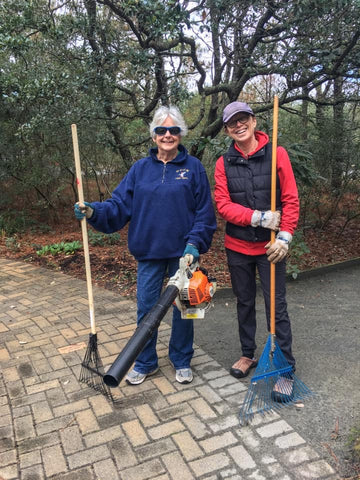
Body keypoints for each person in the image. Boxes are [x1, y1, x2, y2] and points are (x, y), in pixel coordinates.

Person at [74, 105, 216, 386]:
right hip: (149, 253)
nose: (167, 135)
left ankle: (182, 359)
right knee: (146, 310)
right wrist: (93, 212)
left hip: (183, 255)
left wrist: (194, 244)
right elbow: (118, 206)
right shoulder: (140, 170)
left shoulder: (193, 168)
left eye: (173, 130)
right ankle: (146, 362)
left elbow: (204, 213)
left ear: (180, 135)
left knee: (186, 310)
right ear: (153, 136)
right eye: (161, 130)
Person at [214, 101, 299, 401]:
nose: (239, 125)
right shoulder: (223, 163)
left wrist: (284, 238)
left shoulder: (277, 153)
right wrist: (257, 216)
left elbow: (290, 198)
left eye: (243, 119)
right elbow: (223, 205)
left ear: (253, 121)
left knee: (276, 306)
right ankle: (247, 354)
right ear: (227, 130)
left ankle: (285, 368)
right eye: (232, 123)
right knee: (244, 302)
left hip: (270, 248)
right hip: (237, 246)